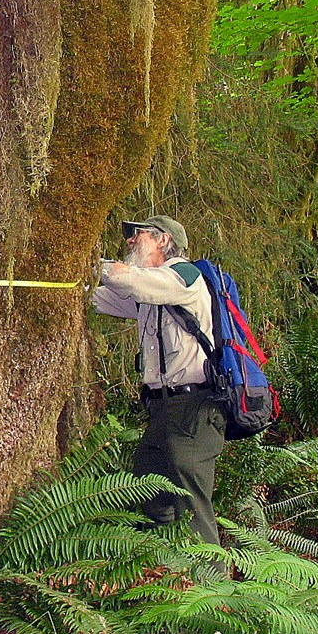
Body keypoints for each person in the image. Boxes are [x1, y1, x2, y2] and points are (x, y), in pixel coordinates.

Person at [92, 215, 227, 546]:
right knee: (148, 488)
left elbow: (130, 281)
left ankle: (210, 588)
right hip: (163, 409)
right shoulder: (151, 292)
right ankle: (161, 568)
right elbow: (97, 297)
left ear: (163, 240)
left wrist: (89, 263)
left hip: (195, 408)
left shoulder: (184, 276)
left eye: (138, 235)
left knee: (191, 504)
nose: (129, 241)